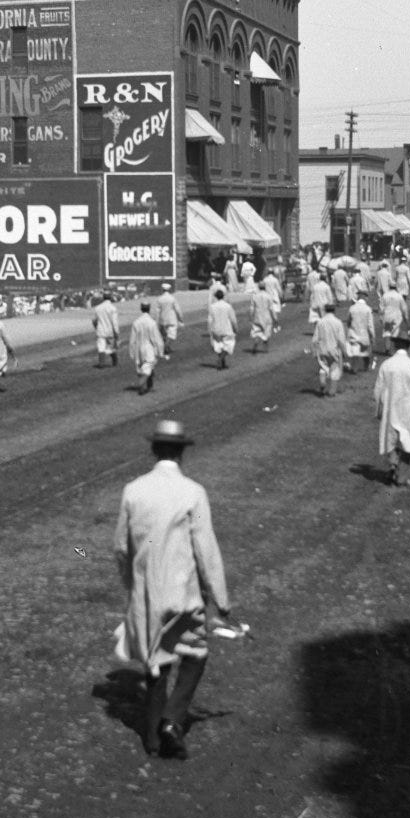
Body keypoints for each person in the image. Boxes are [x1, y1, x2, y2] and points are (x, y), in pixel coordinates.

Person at [113, 420, 231, 760]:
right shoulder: (193, 492)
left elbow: (121, 547)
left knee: (156, 662)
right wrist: (220, 599)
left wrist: (132, 584)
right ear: (181, 453)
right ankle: (171, 720)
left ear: (153, 451)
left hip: (148, 593)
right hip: (184, 593)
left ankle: (152, 737)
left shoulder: (133, 490)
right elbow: (205, 549)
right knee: (195, 654)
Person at [372, 330, 410, 486]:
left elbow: (377, 390)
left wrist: (378, 410)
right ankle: (401, 475)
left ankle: (393, 466)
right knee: (408, 442)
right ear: (409, 346)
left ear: (395, 345)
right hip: (407, 410)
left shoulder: (386, 365)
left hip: (390, 409)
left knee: (390, 441)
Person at [129, 302, 166, 395]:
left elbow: (132, 340)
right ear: (149, 309)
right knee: (147, 368)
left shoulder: (136, 322)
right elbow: (157, 339)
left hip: (138, 348)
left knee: (144, 367)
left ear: (141, 309)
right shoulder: (152, 323)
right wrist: (160, 351)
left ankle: (150, 386)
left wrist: (132, 353)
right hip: (149, 348)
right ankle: (141, 385)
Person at [313, 304, 349, 397]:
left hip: (322, 349)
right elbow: (341, 340)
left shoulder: (320, 322)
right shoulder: (338, 322)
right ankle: (332, 392)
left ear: (325, 310)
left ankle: (322, 382)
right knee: (334, 368)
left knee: (323, 367)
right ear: (334, 311)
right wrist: (344, 351)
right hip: (334, 349)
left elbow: (315, 339)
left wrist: (314, 351)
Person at [206, 288, 238, 370]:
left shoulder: (212, 307)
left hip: (216, 329)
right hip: (227, 329)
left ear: (216, 297)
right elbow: (233, 320)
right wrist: (235, 329)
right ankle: (220, 360)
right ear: (223, 296)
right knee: (229, 345)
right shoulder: (228, 306)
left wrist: (210, 330)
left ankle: (222, 362)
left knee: (219, 346)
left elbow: (210, 320)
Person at [347, 291, 377, 372]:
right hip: (364, 334)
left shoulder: (352, 308)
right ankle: (366, 367)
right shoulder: (368, 309)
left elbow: (348, 321)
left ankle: (354, 368)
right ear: (365, 298)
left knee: (355, 352)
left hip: (354, 333)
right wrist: (372, 336)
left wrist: (349, 327)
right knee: (366, 352)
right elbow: (370, 325)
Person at [153, 282, 184, 358]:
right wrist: (181, 319)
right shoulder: (172, 299)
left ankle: (167, 348)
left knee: (164, 336)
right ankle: (165, 348)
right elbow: (177, 310)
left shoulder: (159, 299)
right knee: (171, 336)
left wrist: (156, 322)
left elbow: (157, 312)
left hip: (162, 320)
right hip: (171, 320)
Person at [91, 290, 120, 368]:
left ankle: (102, 363)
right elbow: (114, 322)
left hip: (100, 330)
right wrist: (116, 333)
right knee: (110, 347)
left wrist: (96, 327)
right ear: (110, 298)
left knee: (101, 347)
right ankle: (114, 361)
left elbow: (94, 320)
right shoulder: (112, 308)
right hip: (110, 330)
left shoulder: (98, 308)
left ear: (103, 298)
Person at [248, 283, 275, 354]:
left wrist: (250, 317)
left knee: (257, 332)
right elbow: (271, 309)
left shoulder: (255, 296)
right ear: (265, 287)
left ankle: (256, 343)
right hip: (267, 316)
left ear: (259, 287)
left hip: (257, 316)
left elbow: (251, 308)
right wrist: (275, 318)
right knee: (267, 332)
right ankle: (265, 348)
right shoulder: (268, 296)